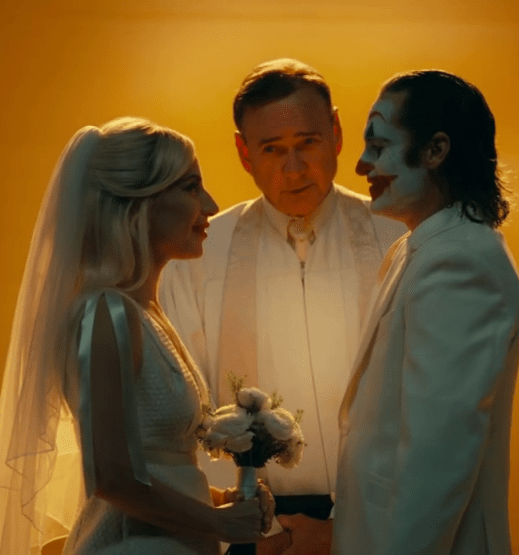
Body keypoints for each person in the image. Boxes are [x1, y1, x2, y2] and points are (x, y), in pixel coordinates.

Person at [0, 117, 274, 555]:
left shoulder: (144, 313)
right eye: (191, 187)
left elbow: (157, 467)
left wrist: (224, 502)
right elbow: (111, 477)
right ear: (138, 204)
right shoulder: (105, 313)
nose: (211, 205)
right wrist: (216, 522)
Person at [160, 59, 406, 555]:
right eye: (272, 149)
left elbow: (425, 401)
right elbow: (184, 413)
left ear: (336, 133)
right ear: (243, 152)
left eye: (307, 143)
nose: (293, 169)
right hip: (247, 526)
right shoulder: (198, 256)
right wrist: (257, 529)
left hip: (383, 521)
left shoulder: (398, 237)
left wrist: (348, 532)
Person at [332, 70, 519, 555]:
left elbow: (439, 454)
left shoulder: (459, 260)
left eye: (379, 145)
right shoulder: (417, 248)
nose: (360, 164)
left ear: (436, 150)